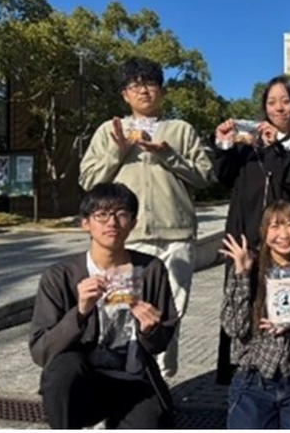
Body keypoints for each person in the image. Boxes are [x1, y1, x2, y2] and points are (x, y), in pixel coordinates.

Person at [79, 56, 211, 378]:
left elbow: (204, 176)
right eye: (135, 85)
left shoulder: (180, 129)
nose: (143, 91)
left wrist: (167, 153)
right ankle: (121, 379)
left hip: (176, 236)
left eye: (150, 83)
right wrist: (118, 150)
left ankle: (161, 383)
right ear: (125, 94)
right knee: (121, 309)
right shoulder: (110, 131)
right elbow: (88, 180)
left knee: (170, 312)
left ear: (162, 91)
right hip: (126, 237)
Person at [29, 183, 178, 429]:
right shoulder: (60, 276)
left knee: (154, 422)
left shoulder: (151, 269)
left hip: (132, 380)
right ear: (85, 223)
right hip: (84, 383)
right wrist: (79, 312)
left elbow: (161, 341)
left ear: (133, 222)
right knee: (62, 371)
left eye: (121, 214)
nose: (112, 223)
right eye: (102, 215)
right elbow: (41, 351)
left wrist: (149, 330)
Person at [212, 74, 290, 384]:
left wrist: (280, 146)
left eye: (285, 101)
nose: (278, 108)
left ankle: (284, 371)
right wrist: (224, 143)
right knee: (241, 301)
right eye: (272, 102)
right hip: (243, 237)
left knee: (281, 301)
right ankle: (240, 374)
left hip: (282, 241)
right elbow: (224, 175)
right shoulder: (249, 146)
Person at [220, 200, 290, 429]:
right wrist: (242, 274)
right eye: (275, 226)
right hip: (252, 381)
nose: (283, 234)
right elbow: (234, 327)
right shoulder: (249, 269)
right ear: (264, 231)